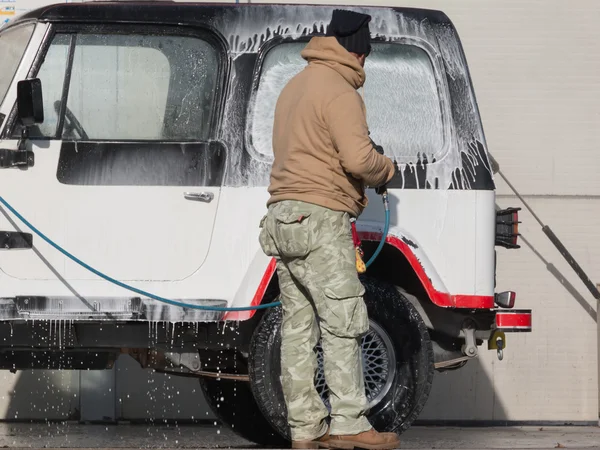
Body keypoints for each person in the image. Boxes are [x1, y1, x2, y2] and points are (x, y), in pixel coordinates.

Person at [259, 9, 399, 450]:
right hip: (321, 219)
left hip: (283, 217)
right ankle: (349, 424)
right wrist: (386, 169)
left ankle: (305, 428)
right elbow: (359, 160)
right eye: (366, 57)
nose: (365, 66)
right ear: (358, 52)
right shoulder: (339, 90)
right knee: (343, 323)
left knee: (299, 328)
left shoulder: (295, 86)